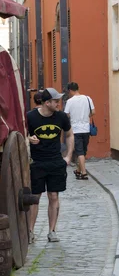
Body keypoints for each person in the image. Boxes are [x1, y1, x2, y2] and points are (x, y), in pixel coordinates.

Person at [27, 88, 74, 243]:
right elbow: (21, 133)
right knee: (35, 197)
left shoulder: (61, 117)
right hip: (37, 162)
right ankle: (30, 232)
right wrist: (29, 138)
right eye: (55, 101)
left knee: (54, 196)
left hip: (55, 161)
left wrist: (68, 156)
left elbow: (69, 134)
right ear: (47, 103)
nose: (58, 103)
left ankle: (52, 231)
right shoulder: (31, 117)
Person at [64, 82, 95, 180]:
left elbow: (66, 115)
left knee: (80, 152)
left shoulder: (70, 101)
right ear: (78, 88)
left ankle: (84, 173)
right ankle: (78, 170)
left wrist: (73, 117)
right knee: (83, 151)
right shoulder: (87, 98)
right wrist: (85, 117)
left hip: (75, 129)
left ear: (70, 90)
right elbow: (93, 112)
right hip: (86, 128)